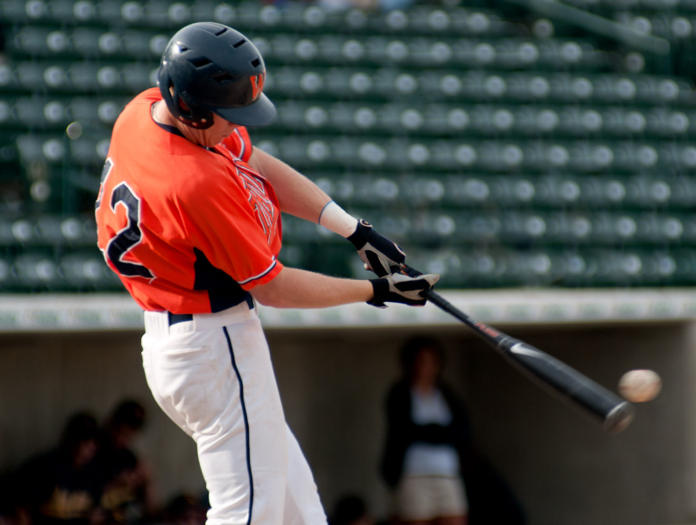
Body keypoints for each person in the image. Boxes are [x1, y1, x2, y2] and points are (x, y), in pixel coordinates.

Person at [94, 22, 438, 525]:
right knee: (247, 515)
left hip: (186, 342)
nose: (237, 126)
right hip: (214, 347)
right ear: (190, 104)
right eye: (228, 115)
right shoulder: (195, 182)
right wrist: (375, 290)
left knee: (299, 510)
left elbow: (253, 159)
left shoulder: (143, 112)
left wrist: (354, 231)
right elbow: (272, 286)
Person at [380, 338, 526, 525]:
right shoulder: (400, 393)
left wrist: (429, 431)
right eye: (421, 361)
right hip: (414, 473)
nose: (426, 368)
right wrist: (438, 432)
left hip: (447, 473)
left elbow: (461, 432)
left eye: (431, 362)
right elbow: (405, 430)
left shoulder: (446, 394)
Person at [14, 413, 105, 525]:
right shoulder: (41, 467)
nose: (81, 448)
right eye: (77, 441)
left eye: (88, 443)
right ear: (66, 439)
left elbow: (98, 511)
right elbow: (21, 509)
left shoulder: (95, 473)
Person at [97, 400, 158, 523]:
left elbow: (153, 511)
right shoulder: (91, 452)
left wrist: (147, 481)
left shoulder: (130, 458)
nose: (124, 435)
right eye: (121, 428)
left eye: (131, 431)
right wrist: (116, 484)